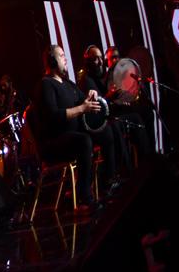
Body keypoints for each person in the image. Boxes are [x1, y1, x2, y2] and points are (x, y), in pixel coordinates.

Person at [30, 45, 115, 209]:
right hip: (54, 142)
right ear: (52, 61)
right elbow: (54, 116)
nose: (65, 59)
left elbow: (83, 101)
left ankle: (109, 182)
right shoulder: (45, 85)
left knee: (106, 132)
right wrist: (82, 108)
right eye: (61, 56)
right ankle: (85, 197)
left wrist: (91, 95)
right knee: (84, 141)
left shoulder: (68, 83)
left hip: (73, 135)